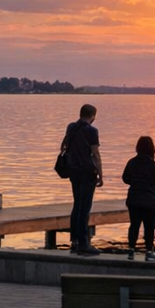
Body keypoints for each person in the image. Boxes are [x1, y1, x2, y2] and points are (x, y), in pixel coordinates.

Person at [60, 103, 102, 256]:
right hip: (86, 171)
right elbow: (96, 154)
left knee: (77, 204)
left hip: (73, 171)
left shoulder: (71, 127)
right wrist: (100, 175)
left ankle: (75, 241)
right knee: (85, 207)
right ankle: (84, 243)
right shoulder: (92, 131)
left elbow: (64, 146)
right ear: (93, 116)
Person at [121, 135, 155, 260]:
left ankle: (131, 250)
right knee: (149, 226)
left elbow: (125, 178)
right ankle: (149, 251)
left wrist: (135, 182)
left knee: (134, 224)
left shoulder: (132, 162)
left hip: (134, 198)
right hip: (150, 200)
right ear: (152, 149)